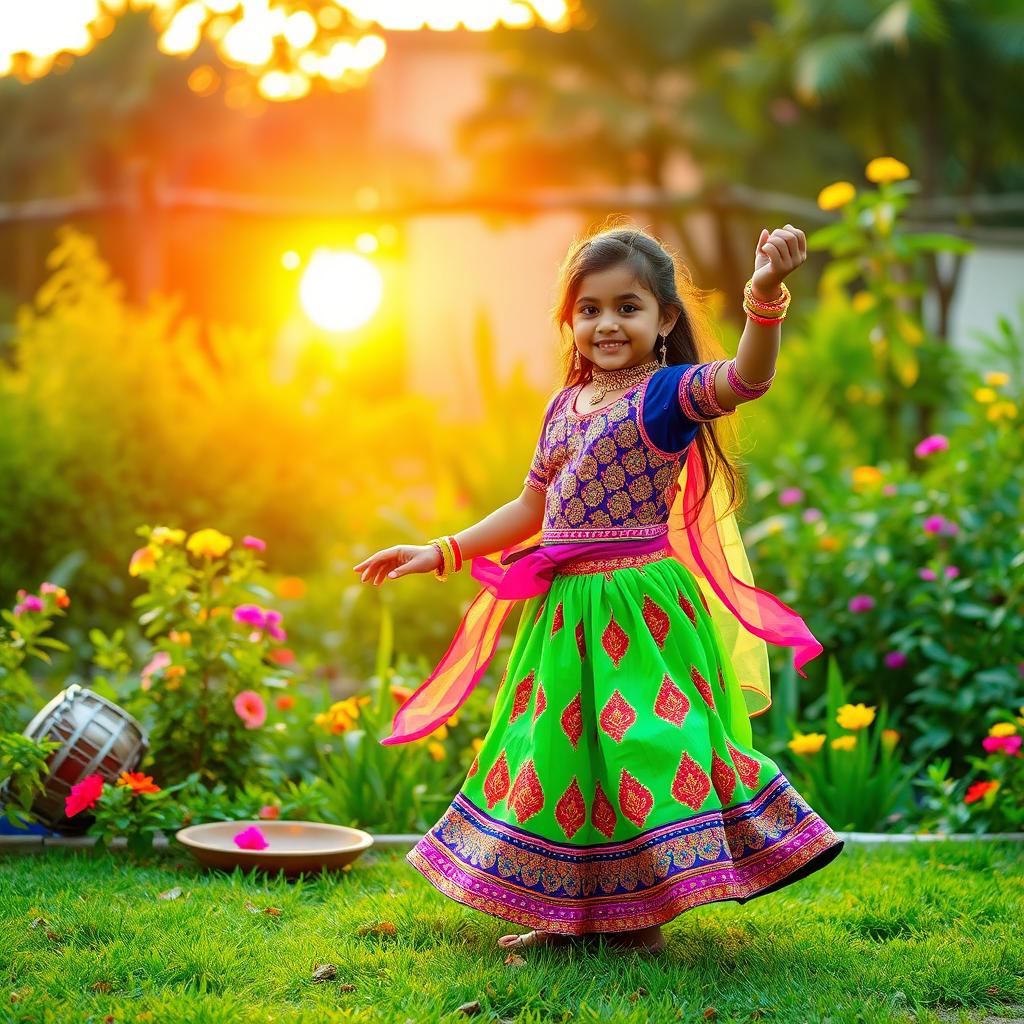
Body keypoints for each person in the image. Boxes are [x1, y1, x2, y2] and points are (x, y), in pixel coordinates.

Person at [352, 222, 845, 957]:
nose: (607, 323)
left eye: (627, 307)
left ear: (665, 321)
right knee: (560, 756)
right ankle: (567, 913)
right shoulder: (563, 407)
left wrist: (765, 296)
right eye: (589, 309)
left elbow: (746, 378)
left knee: (644, 744)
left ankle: (642, 917)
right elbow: (529, 510)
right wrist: (440, 549)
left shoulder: (668, 395)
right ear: (569, 321)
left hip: (640, 612)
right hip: (564, 615)